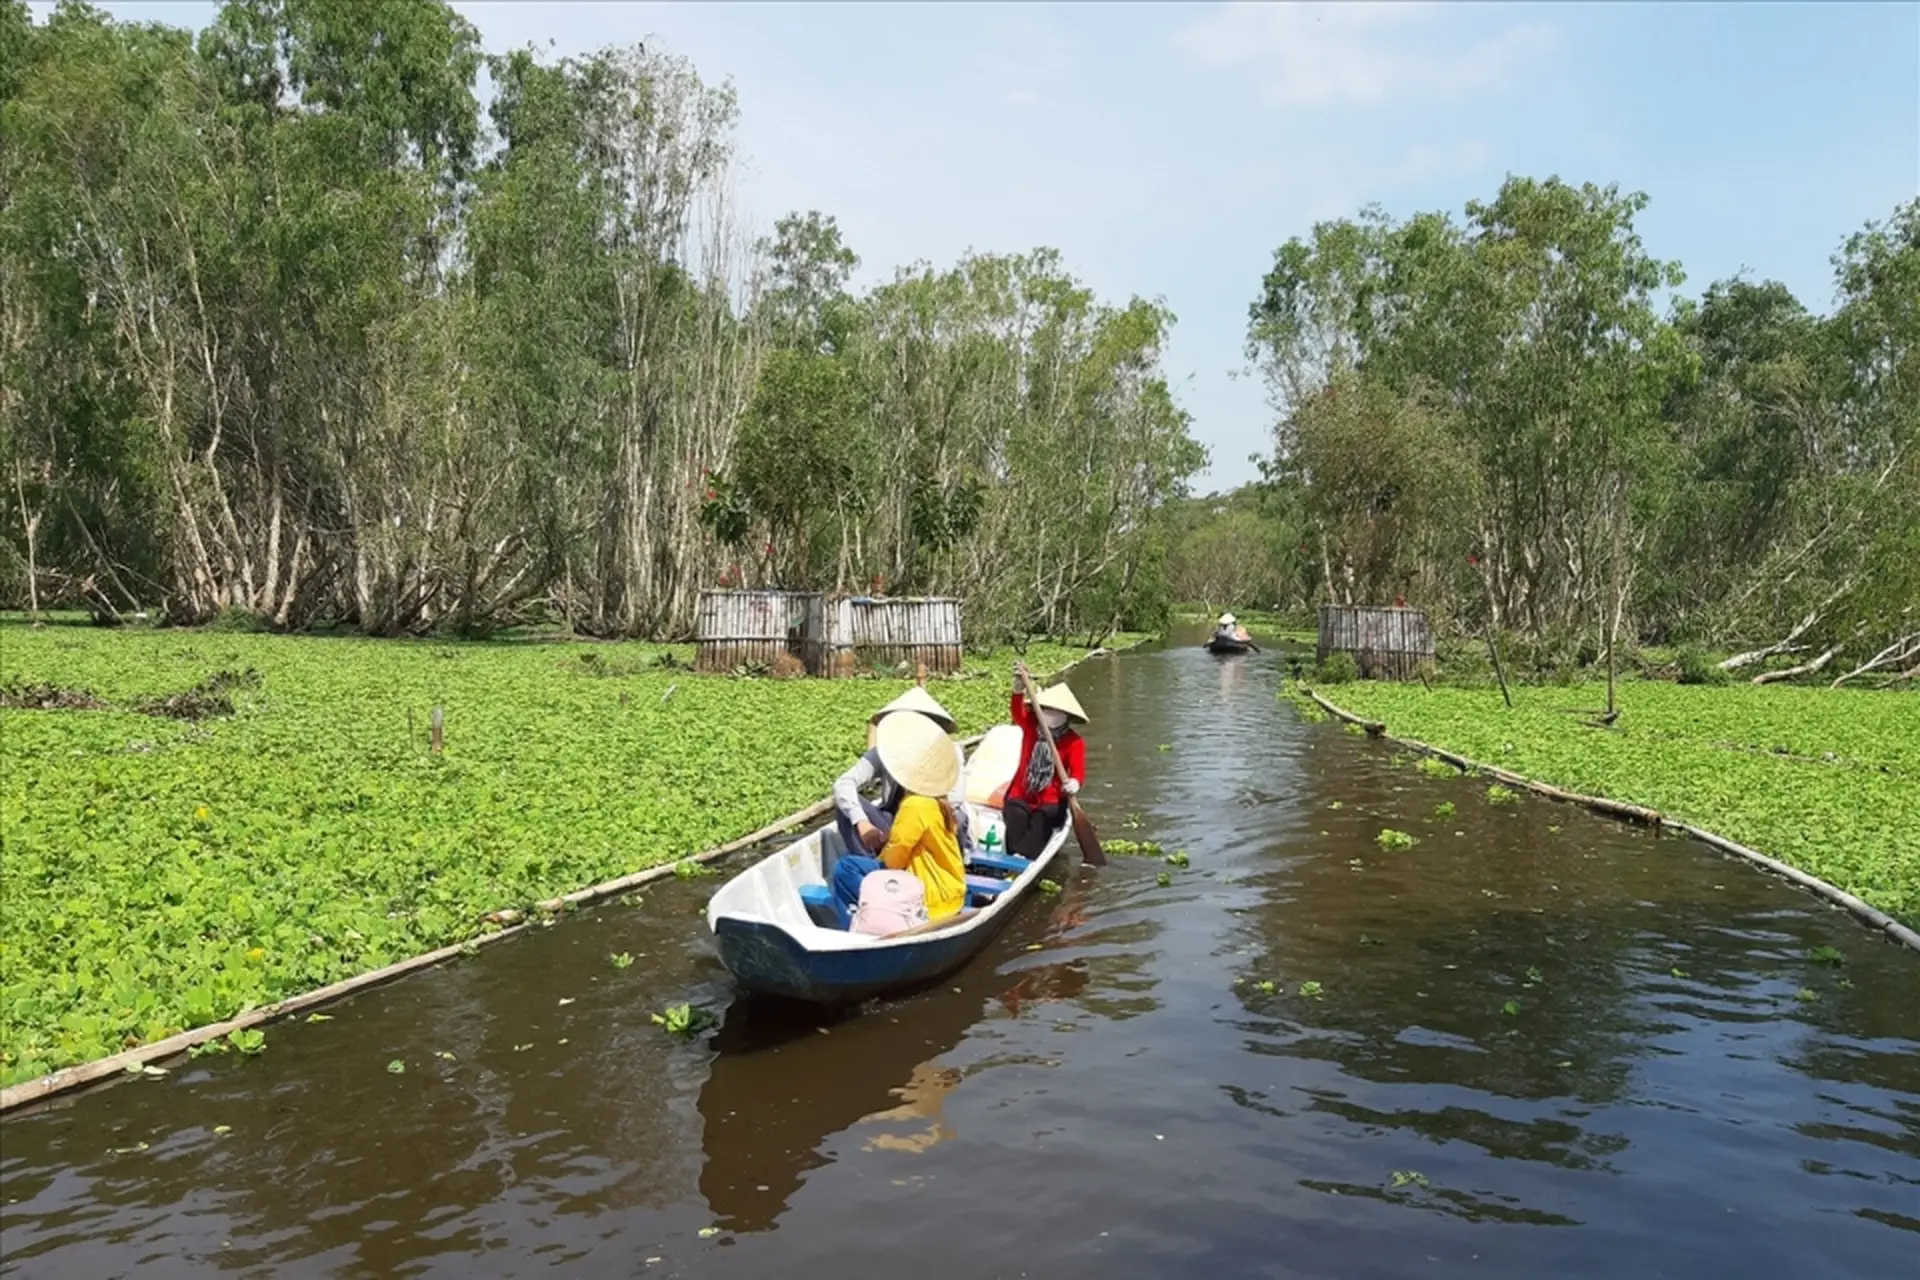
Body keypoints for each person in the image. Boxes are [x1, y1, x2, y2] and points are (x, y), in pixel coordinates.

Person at [830, 711, 967, 924]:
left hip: (929, 899)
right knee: (857, 850)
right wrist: (864, 824)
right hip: (949, 892)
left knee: (846, 868)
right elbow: (843, 784)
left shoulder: (915, 804)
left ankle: (861, 923)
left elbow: (894, 859)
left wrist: (877, 868)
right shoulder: (937, 800)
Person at [832, 685, 965, 858]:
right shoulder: (886, 750)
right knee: (846, 806)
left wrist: (903, 829)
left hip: (927, 822)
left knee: (958, 817)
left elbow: (955, 798)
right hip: (891, 820)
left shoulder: (950, 752)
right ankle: (872, 867)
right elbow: (844, 783)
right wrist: (862, 821)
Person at [1004, 661, 1088, 860]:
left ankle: (1025, 857)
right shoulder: (1031, 725)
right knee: (1016, 814)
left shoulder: (1074, 742)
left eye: (1057, 711)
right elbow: (1017, 713)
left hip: (1050, 801)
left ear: (1067, 716)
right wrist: (1018, 689)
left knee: (1042, 819)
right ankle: (1010, 858)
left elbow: (1078, 773)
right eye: (1047, 709)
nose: (1051, 714)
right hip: (1022, 793)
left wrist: (1074, 783)